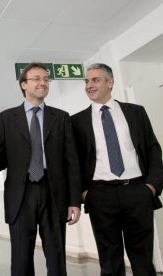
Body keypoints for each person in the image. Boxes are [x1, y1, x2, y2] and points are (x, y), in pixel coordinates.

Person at [0, 62, 81, 276]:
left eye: (46, 79)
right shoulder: (6, 118)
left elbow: (71, 162)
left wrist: (74, 200)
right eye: (37, 78)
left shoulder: (61, 117)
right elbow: (1, 157)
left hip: (54, 194)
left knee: (57, 256)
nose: (43, 82)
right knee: (21, 257)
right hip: (21, 194)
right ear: (23, 84)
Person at [71, 63, 163, 276]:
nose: (89, 85)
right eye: (86, 81)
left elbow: (152, 149)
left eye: (95, 80)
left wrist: (151, 186)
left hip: (137, 191)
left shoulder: (136, 112)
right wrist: (84, 193)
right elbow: (73, 161)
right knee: (109, 260)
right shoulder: (77, 121)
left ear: (110, 83)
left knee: (142, 257)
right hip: (100, 195)